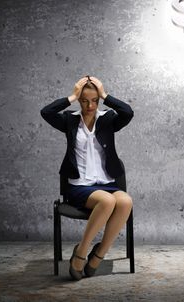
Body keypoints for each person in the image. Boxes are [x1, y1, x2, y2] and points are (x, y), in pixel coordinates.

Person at [40, 75, 134, 280]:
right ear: (79, 100)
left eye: (94, 100)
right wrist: (72, 96)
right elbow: (46, 112)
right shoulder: (69, 120)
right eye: (84, 100)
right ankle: (81, 252)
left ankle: (97, 256)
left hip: (105, 182)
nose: (90, 105)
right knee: (107, 201)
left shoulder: (108, 120)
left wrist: (105, 94)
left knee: (125, 201)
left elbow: (128, 112)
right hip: (79, 184)